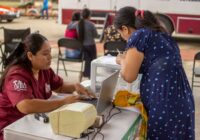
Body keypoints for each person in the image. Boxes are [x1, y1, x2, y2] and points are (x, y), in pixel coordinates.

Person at [114, 6, 195, 139]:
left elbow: (128, 76)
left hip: (165, 104)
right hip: (183, 102)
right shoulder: (163, 35)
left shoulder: (139, 35)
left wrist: (122, 60)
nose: (123, 39)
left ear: (125, 29)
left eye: (121, 34)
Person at [0, 33, 95, 140]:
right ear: (30, 56)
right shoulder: (17, 75)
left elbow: (59, 87)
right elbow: (25, 106)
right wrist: (63, 102)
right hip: (11, 127)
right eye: (45, 54)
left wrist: (75, 86)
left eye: (50, 52)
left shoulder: (44, 70)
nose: (50, 57)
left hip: (33, 122)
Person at [78, 8, 98, 78]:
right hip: (91, 45)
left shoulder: (78, 24)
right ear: (89, 15)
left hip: (82, 46)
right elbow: (96, 35)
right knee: (93, 60)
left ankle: (86, 73)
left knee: (87, 59)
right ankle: (90, 74)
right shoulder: (91, 24)